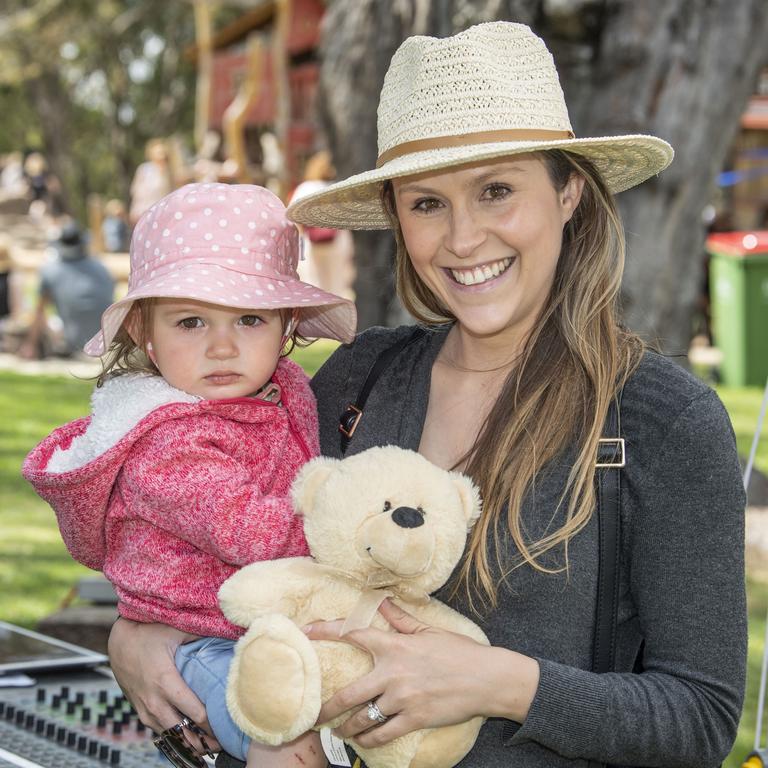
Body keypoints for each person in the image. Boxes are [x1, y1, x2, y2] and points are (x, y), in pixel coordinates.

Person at [105, 22, 747, 768]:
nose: (463, 238)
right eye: (426, 203)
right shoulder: (358, 379)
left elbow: (700, 719)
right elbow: (226, 550)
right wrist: (141, 637)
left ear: (569, 192)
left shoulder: (660, 421)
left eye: (497, 191)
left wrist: (499, 683)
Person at [23, 182, 356, 767]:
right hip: (198, 639)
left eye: (249, 318)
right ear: (144, 335)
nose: (223, 347)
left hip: (258, 620)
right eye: (192, 323)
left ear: (287, 326)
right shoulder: (168, 445)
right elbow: (249, 533)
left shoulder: (279, 393)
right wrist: (356, 532)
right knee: (286, 742)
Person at [18, 220, 114, 359]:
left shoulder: (50, 270)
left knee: (48, 318)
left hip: (72, 343)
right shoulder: (102, 268)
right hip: (105, 341)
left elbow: (39, 311)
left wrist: (30, 344)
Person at [290, 151, 355, 299]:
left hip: (312, 243)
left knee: (314, 283)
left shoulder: (305, 188)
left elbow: (294, 217)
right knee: (336, 285)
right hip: (337, 243)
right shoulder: (337, 188)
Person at [129, 139, 173, 225]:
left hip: (163, 213)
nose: (162, 156)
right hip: (144, 212)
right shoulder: (144, 169)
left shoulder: (169, 172)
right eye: (159, 153)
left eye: (163, 152)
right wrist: (134, 210)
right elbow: (136, 191)